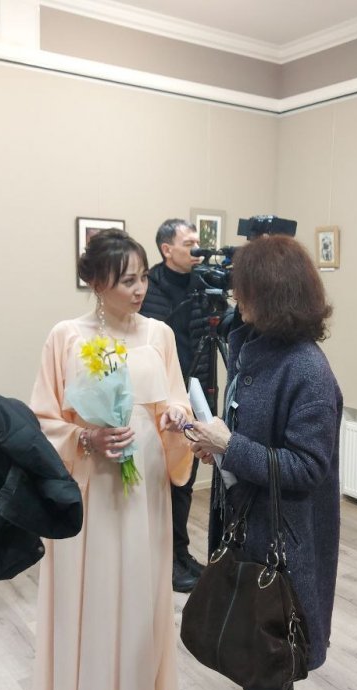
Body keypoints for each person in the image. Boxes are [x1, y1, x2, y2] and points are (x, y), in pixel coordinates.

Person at [30, 228, 192, 690]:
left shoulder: (160, 334)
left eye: (143, 278)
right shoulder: (66, 336)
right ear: (97, 283)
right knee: (92, 589)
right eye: (127, 280)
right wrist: (87, 437)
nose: (140, 289)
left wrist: (174, 415)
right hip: (91, 481)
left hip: (146, 479)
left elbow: (175, 400)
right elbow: (42, 419)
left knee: (143, 587)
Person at [186, 234, 342, 690]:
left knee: (268, 663)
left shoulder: (307, 370)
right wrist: (216, 447)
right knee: (267, 660)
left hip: (283, 540)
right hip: (252, 526)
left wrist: (230, 447)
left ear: (271, 295)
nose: (235, 297)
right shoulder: (252, 350)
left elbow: (307, 468)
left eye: (244, 289)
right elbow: (248, 438)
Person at [141, 218, 215, 592]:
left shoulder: (204, 286)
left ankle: (180, 553)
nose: (196, 250)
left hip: (195, 397)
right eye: (189, 244)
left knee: (185, 481)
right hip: (160, 403)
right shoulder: (148, 289)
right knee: (163, 484)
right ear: (167, 249)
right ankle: (163, 560)